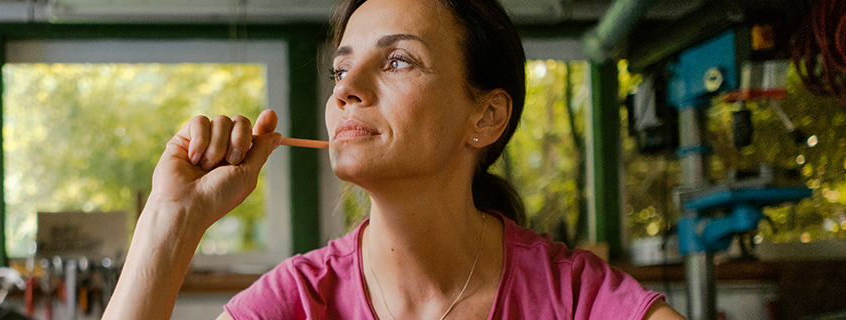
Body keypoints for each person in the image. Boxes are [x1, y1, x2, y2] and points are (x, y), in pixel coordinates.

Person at [102, 0, 686, 319]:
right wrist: (170, 221)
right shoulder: (295, 302)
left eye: (398, 61)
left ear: (485, 118)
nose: (345, 88)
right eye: (340, 69)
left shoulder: (577, 300)